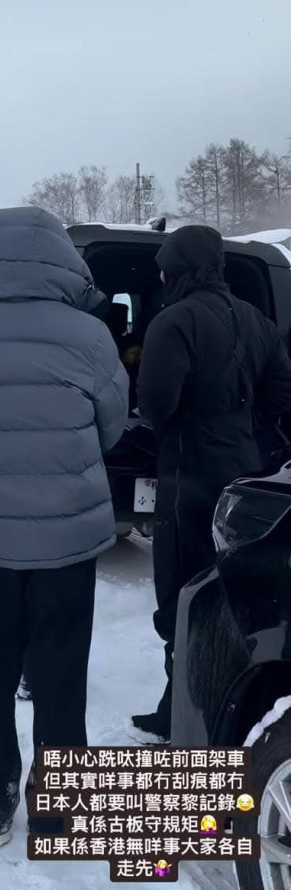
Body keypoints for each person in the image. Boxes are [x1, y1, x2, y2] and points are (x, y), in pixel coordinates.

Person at [0, 206, 129, 845]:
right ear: (61, 260)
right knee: (62, 671)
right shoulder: (91, 336)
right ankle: (61, 807)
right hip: (67, 540)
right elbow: (109, 426)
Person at [132, 225, 291, 740]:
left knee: (181, 593)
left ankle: (183, 716)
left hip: (187, 477)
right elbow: (282, 390)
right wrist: (245, 427)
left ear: (177, 270)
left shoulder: (173, 322)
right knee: (229, 593)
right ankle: (194, 702)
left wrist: (186, 426)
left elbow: (156, 403)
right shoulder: (257, 319)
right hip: (243, 473)